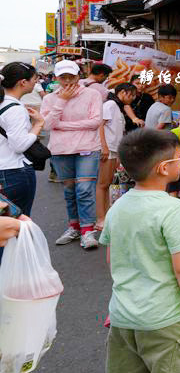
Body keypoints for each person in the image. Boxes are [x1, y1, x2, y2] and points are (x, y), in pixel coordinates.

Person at [99, 128, 180, 373]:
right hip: (166, 317)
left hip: (124, 314)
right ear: (164, 168)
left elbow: (113, 259)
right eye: (178, 158)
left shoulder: (118, 206)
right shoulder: (173, 209)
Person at [42, 59, 105, 250]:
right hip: (61, 150)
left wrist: (62, 126)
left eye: (72, 76)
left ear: (79, 75)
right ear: (56, 78)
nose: (68, 80)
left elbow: (95, 122)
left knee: (85, 189)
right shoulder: (50, 99)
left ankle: (88, 230)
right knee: (69, 191)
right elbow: (47, 125)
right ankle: (74, 226)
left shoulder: (92, 94)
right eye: (63, 77)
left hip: (87, 148)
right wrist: (62, 101)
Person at [0, 63, 44, 217]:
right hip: (14, 171)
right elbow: (19, 145)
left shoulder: (3, 104)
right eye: (34, 79)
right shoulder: (15, 109)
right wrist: (38, 124)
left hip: (5, 168)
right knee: (18, 223)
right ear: (22, 82)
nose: (35, 83)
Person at [97, 84, 137, 231]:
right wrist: (104, 147)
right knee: (103, 185)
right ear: (122, 92)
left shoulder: (116, 106)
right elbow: (99, 125)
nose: (133, 98)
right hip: (109, 150)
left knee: (107, 184)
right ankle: (101, 218)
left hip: (114, 150)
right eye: (131, 94)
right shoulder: (110, 104)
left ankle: (107, 215)